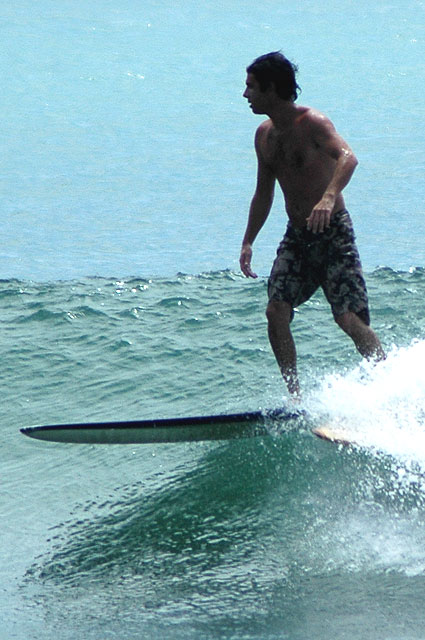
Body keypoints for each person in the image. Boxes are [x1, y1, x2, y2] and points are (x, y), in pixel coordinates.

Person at [239, 51, 384, 398]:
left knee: (348, 319)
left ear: (272, 89)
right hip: (298, 237)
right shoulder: (264, 136)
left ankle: (386, 383)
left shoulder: (314, 124)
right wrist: (248, 241)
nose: (245, 95)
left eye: (251, 87)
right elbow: (263, 193)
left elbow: (348, 158)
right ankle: (296, 399)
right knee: (276, 311)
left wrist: (329, 196)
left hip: (333, 233)